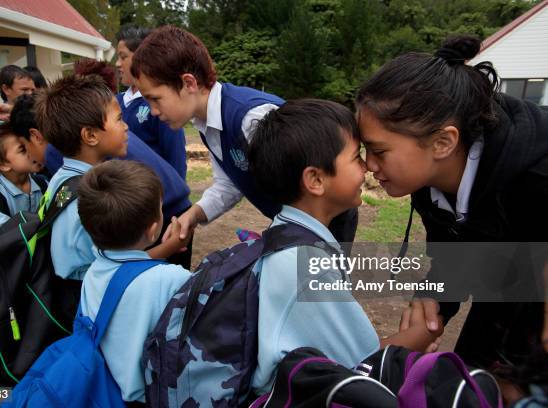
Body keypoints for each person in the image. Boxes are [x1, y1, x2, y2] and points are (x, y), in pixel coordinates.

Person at [356, 36, 548, 372]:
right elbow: (458, 256)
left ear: (443, 141)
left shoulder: (535, 176)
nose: (369, 165)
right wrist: (435, 299)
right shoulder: (430, 181)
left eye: (380, 151)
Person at [247, 99, 440, 395]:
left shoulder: (285, 235)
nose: (367, 166)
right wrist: (424, 333)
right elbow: (362, 366)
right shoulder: (306, 265)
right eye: (355, 157)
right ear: (315, 179)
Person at [132, 25, 358, 247]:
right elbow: (229, 184)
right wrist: (192, 216)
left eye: (155, 99)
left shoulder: (252, 118)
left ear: (188, 83)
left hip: (324, 224)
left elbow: (309, 187)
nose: (153, 111)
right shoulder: (206, 123)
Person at [33, 74, 189, 281]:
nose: (126, 126)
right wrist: (168, 248)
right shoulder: (89, 196)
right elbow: (110, 273)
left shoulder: (62, 179)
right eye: (118, 119)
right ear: (90, 136)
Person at [77, 160, 190, 404]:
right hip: (146, 397)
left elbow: (129, 270)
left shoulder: (95, 269)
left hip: (104, 389)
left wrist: (165, 248)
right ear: (152, 230)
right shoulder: (171, 279)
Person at [115, 25, 187, 179]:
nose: (117, 64)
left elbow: (176, 158)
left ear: (142, 57)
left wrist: (178, 198)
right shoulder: (115, 102)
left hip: (154, 196)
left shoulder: (161, 104)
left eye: (123, 57)